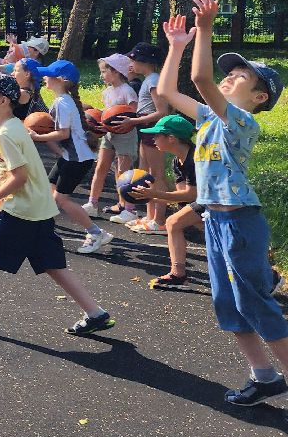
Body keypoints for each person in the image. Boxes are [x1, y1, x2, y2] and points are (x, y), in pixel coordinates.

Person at [158, 0, 288, 426]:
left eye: (240, 77)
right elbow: (167, 92)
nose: (229, 77)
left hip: (240, 223)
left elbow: (201, 78)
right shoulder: (209, 119)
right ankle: (265, 378)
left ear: (259, 97)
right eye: (231, 73)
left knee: (255, 305)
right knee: (229, 304)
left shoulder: (241, 121)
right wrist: (177, 45)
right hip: (216, 220)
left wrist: (204, 28)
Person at [0, 72, 117, 336]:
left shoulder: (6, 133)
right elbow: (11, 170)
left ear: (5, 101)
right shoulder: (12, 125)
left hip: (21, 211)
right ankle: (96, 313)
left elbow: (19, 177)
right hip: (39, 208)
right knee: (53, 265)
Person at [24, 60, 114, 255]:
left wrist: (38, 136)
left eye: (49, 75)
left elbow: (63, 133)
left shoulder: (63, 102)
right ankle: (42, 229)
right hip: (71, 156)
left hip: (77, 160)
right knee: (49, 190)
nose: (45, 77)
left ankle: (96, 233)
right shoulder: (64, 100)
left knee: (62, 200)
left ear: (62, 80)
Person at [123, 114, 200, 289]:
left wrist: (153, 194)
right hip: (204, 202)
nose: (153, 138)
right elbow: (183, 195)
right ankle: (178, 275)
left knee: (174, 222)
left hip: (220, 202)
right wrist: (150, 196)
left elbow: (191, 195)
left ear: (171, 138)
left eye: (157, 135)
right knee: (177, 223)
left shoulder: (195, 159)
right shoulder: (177, 161)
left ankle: (178, 274)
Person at [81, 53, 139, 222]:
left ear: (116, 71)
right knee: (100, 168)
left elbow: (132, 114)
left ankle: (129, 209)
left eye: (104, 71)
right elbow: (108, 114)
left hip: (125, 135)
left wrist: (122, 123)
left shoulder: (128, 91)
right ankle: (92, 203)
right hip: (109, 134)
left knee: (123, 171)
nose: (101, 75)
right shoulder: (107, 92)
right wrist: (100, 122)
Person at [124, 41, 170, 235]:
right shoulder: (148, 79)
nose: (131, 62)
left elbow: (162, 111)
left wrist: (135, 121)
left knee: (157, 175)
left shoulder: (153, 80)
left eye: (134, 58)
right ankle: (150, 217)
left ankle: (159, 220)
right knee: (145, 173)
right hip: (145, 129)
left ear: (146, 61)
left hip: (154, 129)